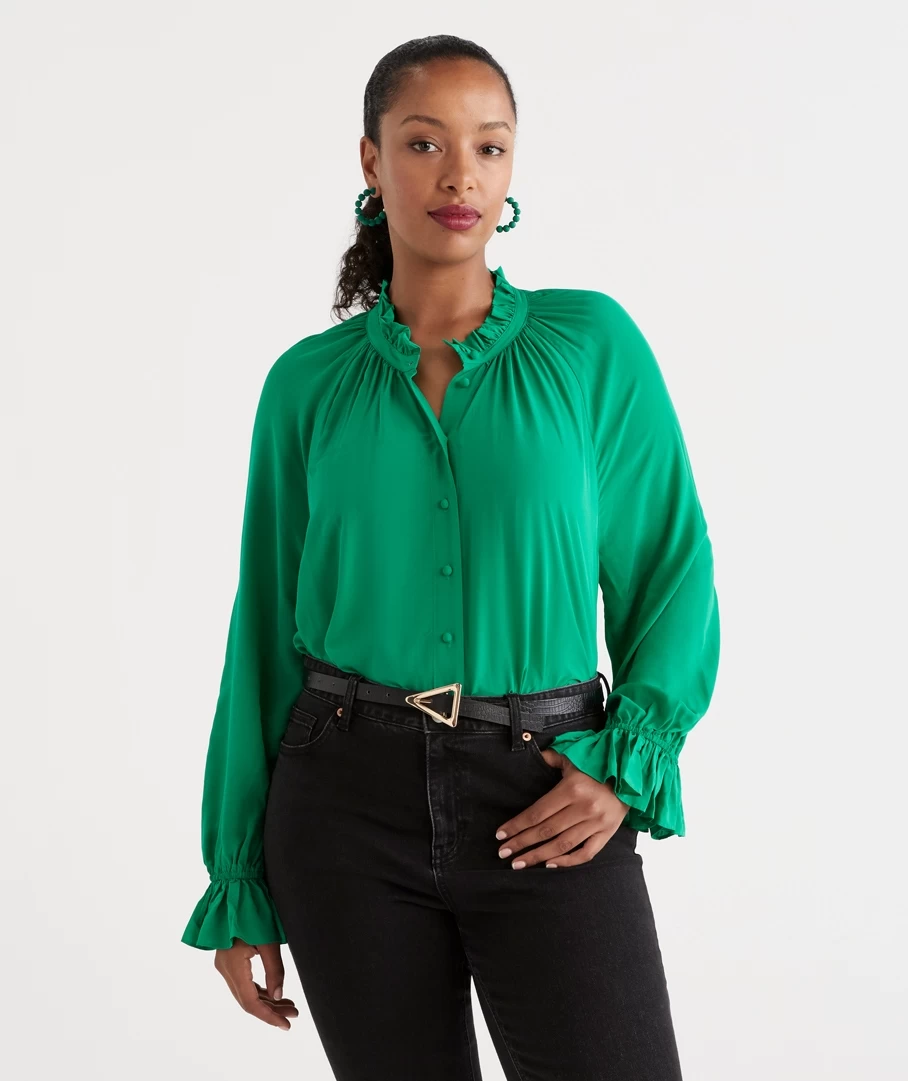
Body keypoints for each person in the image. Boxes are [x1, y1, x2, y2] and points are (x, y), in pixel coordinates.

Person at [181, 34, 720, 1081]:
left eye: (488, 145)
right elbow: (263, 631)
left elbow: (671, 570)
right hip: (343, 805)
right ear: (372, 162)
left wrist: (624, 765)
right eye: (424, 143)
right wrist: (238, 875)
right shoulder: (306, 387)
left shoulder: (591, 348)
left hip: (547, 789)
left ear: (511, 168)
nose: (458, 174)